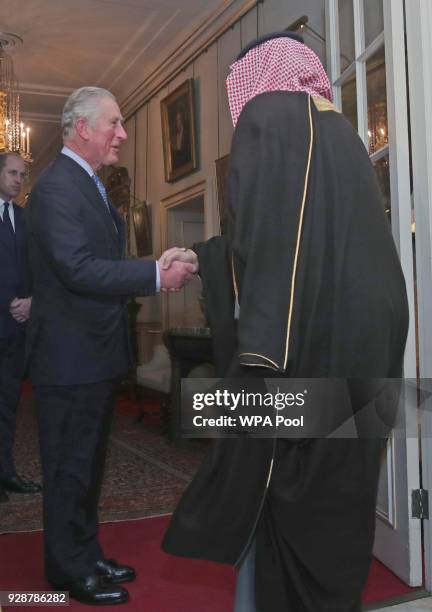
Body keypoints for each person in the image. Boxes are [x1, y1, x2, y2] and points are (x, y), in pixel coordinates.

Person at [161, 32, 409, 611]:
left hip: (306, 349)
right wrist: (210, 257)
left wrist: (252, 344)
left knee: (276, 487)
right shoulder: (344, 135)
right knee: (341, 501)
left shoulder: (269, 115)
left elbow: (263, 242)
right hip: (369, 351)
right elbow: (309, 244)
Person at [26, 86, 196, 606]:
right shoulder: (57, 187)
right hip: (69, 357)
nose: (122, 134)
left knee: (89, 464)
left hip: (91, 355)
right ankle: (68, 571)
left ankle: (86, 551)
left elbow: (97, 261)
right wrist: (153, 275)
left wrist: (154, 264)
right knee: (69, 467)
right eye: (115, 124)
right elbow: (77, 269)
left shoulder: (86, 184)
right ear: (83, 129)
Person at [0, 152, 41, 503]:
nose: (18, 179)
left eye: (22, 174)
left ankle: (6, 472)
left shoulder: (26, 219)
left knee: (8, 405)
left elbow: (39, 267)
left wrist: (31, 302)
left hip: (16, 332)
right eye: (12, 173)